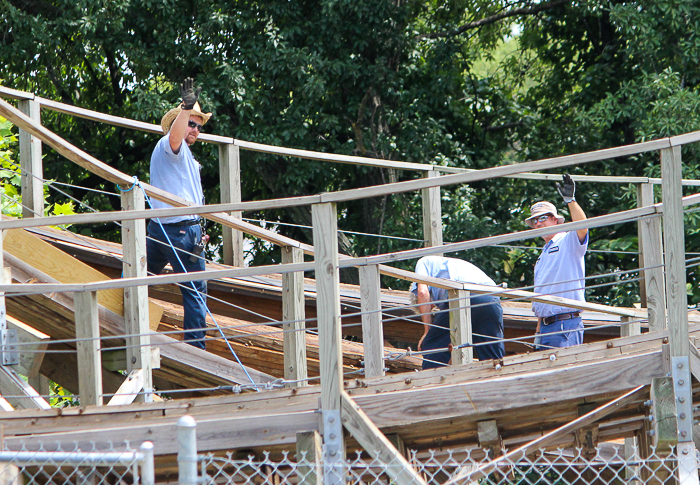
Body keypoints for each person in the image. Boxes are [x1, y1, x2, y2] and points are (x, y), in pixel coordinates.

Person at [147, 78, 211, 349]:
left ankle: (119, 322)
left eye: (198, 125)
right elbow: (174, 136)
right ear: (180, 122)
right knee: (195, 291)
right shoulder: (170, 146)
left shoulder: (187, 157)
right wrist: (185, 108)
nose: (195, 129)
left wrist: (200, 230)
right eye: (190, 123)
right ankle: (196, 351)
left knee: (140, 277)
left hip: (170, 229)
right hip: (179, 230)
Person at [525, 174, 588, 349]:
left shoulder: (567, 241)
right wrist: (538, 332)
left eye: (543, 218)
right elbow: (542, 295)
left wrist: (571, 201)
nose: (538, 223)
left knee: (564, 374)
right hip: (546, 327)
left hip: (565, 325)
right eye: (535, 220)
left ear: (555, 219)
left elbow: (582, 227)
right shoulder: (542, 255)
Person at [410, 256, 505, 369]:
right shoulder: (444, 268)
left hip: (463, 294)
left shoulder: (423, 263)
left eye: (430, 307)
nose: (433, 307)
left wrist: (427, 331)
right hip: (491, 297)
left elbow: (422, 293)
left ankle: (430, 383)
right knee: (492, 358)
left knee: (432, 344)